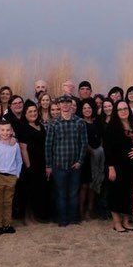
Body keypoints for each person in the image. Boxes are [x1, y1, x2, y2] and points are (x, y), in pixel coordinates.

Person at [104, 100, 133, 232]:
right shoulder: (111, 127)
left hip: (132, 167)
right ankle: (117, 223)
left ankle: (127, 221)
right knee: (116, 193)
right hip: (117, 166)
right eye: (120, 109)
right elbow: (107, 149)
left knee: (130, 194)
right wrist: (110, 168)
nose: (123, 111)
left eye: (125, 109)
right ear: (116, 112)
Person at [45, 95, 87, 227]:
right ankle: (62, 219)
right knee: (61, 193)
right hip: (58, 165)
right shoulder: (53, 123)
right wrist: (48, 165)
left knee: (74, 193)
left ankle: (74, 218)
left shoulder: (80, 122)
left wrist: (80, 161)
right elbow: (48, 145)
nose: (65, 105)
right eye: (62, 103)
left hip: (75, 165)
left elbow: (84, 144)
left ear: (71, 104)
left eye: (67, 102)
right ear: (59, 105)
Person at [0, 120, 23, 235]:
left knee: (8, 202)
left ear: (12, 131)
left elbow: (19, 161)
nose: (5, 132)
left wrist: (16, 175)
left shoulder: (15, 145)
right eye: (2, 130)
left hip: (11, 177)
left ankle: (7, 224)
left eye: (8, 130)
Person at [19, 102, 51, 223]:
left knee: (39, 190)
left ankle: (37, 215)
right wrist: (28, 166)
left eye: (34, 111)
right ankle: (27, 217)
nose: (33, 113)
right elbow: (23, 147)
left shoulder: (41, 126)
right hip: (31, 164)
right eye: (30, 112)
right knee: (29, 191)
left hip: (42, 162)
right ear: (25, 114)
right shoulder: (24, 127)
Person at [77, 98, 104, 222]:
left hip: (97, 157)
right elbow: (81, 140)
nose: (87, 110)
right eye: (84, 108)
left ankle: (90, 210)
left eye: (89, 108)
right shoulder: (79, 122)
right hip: (85, 157)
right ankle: (81, 211)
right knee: (84, 186)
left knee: (93, 185)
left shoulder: (97, 122)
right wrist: (91, 151)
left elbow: (101, 137)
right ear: (81, 110)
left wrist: (99, 150)